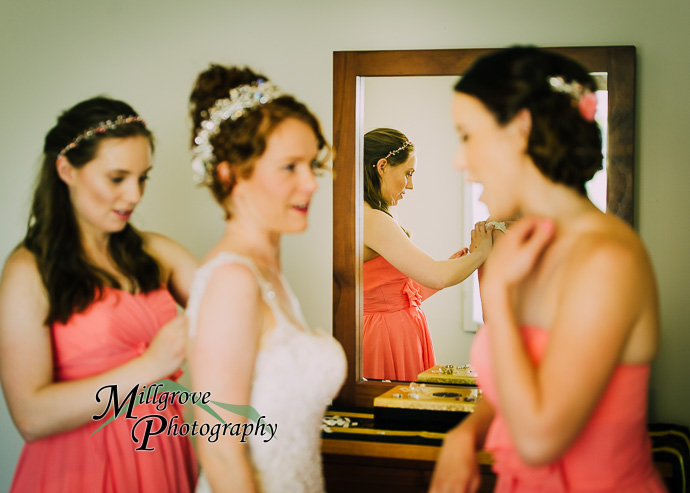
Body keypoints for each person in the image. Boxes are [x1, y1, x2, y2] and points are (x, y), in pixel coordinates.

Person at [430, 47, 666, 492]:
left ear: (520, 129)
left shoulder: (606, 259)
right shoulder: (530, 246)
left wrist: (496, 292)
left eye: (467, 135)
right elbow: (519, 380)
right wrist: (467, 434)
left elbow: (540, 438)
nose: (460, 160)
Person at [0, 96, 199, 492]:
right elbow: (30, 417)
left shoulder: (156, 252)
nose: (134, 196)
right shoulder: (29, 271)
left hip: (163, 453)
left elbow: (242, 316)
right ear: (66, 169)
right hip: (80, 469)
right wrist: (152, 364)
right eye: (117, 178)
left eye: (143, 178)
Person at [185, 65, 346, 493]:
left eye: (311, 164)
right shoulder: (233, 280)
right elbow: (219, 449)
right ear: (230, 174)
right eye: (289, 167)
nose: (311, 183)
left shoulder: (266, 271)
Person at [362, 128, 494, 382]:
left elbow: (402, 293)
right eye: (408, 174)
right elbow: (437, 277)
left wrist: (453, 265)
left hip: (398, 330)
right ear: (382, 166)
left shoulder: (373, 215)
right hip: (386, 336)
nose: (410, 185)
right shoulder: (373, 220)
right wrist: (480, 254)